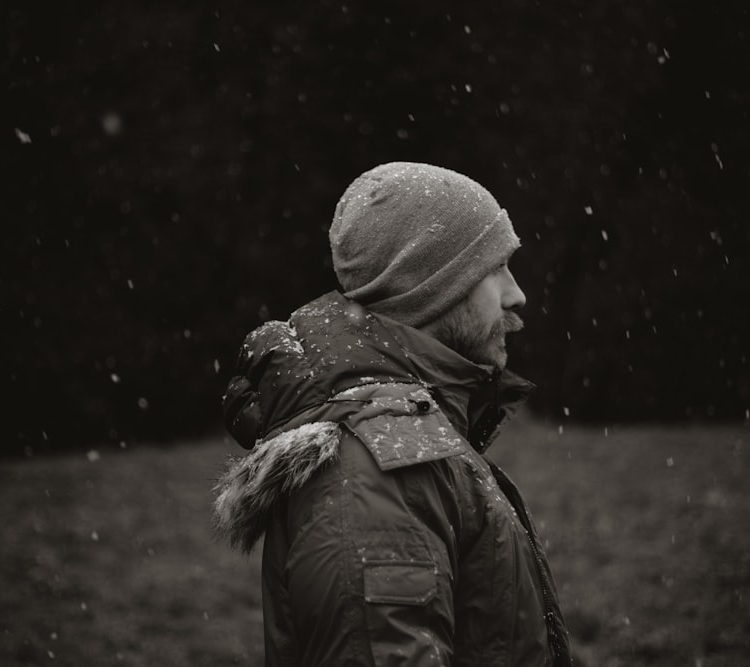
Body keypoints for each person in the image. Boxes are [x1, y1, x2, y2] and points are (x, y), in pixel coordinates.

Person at [214, 162, 572, 666]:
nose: (517, 295)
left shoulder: (404, 443)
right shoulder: (377, 474)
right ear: (432, 287)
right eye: (496, 268)